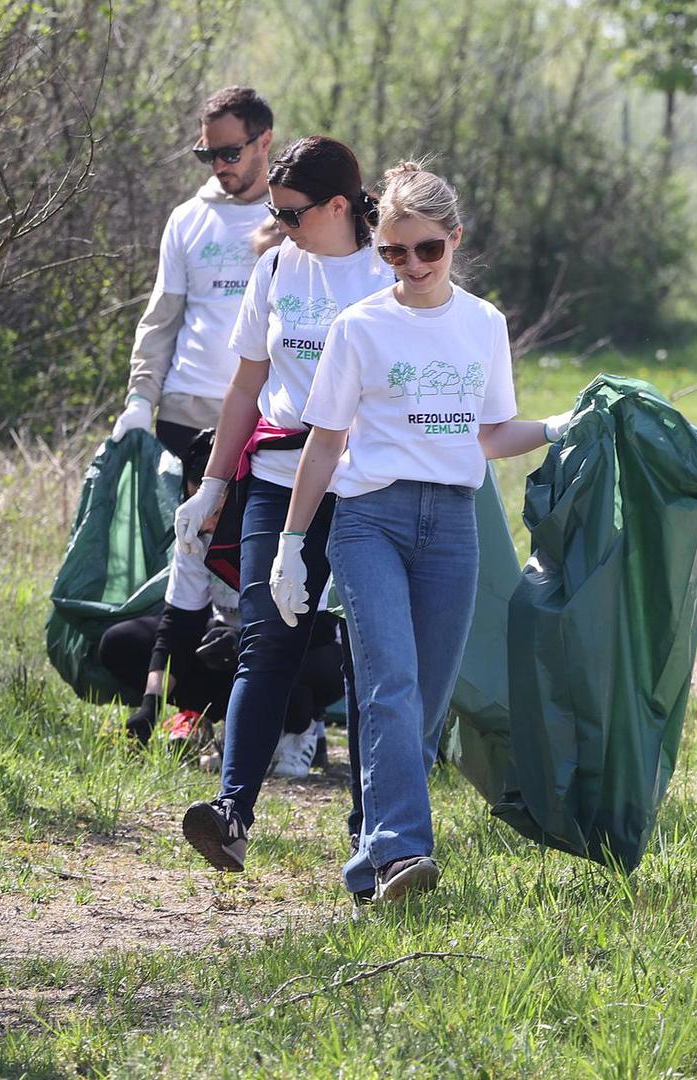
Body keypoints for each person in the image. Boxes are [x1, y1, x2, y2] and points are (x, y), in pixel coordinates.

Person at [268, 161, 572, 905]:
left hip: (454, 526)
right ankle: (405, 854)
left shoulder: (484, 324)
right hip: (370, 520)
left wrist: (563, 427)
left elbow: (493, 433)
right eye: (394, 253)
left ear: (454, 240)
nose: (411, 266)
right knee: (391, 688)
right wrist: (289, 544)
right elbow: (324, 441)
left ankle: (369, 860)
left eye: (427, 250)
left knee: (423, 707)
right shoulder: (360, 326)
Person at [175, 136, 395, 872]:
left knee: (370, 658)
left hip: (366, 484)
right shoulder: (274, 266)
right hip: (275, 476)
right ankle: (233, 812)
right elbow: (245, 386)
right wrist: (213, 484)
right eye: (274, 210)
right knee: (265, 642)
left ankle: (373, 832)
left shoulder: (385, 272)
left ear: (340, 206)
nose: (281, 224)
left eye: (293, 213)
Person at [98, 433, 343, 771]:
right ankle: (215, 718)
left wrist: (243, 642)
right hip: (227, 645)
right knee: (122, 643)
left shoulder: (284, 526)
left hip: (299, 644)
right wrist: (150, 706)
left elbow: (321, 626)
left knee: (304, 667)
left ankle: (302, 726)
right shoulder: (198, 534)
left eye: (215, 510)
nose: (208, 522)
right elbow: (178, 627)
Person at [111, 87, 279, 461]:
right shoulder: (187, 218)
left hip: (268, 414)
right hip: (185, 410)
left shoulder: (296, 218)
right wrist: (140, 397)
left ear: (264, 141)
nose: (219, 166)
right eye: (208, 154)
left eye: (230, 153)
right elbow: (161, 319)